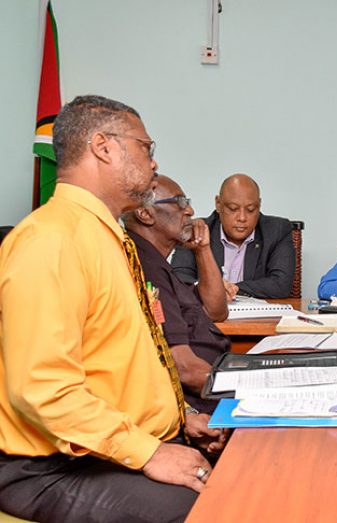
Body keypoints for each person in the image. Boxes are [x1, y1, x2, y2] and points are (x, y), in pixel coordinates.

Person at [0, 95, 227, 522]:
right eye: (146, 147)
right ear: (103, 147)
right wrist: (151, 452)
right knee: (211, 508)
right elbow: (43, 390)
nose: (154, 163)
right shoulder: (51, 240)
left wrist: (183, 417)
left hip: (113, 445)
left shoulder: (111, 239)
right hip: (51, 466)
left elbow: (129, 360)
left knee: (250, 467)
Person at [124, 175, 230, 414]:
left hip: (213, 388)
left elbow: (216, 310)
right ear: (145, 213)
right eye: (180, 202)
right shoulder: (145, 266)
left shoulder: (158, 262)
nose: (190, 210)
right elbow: (184, 368)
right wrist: (252, 389)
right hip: (201, 407)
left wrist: (202, 248)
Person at [171, 173, 295, 301]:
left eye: (251, 209)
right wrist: (206, 290)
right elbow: (178, 278)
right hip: (206, 316)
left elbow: (281, 285)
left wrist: (230, 289)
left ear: (259, 205)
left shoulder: (277, 230)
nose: (242, 218)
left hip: (255, 318)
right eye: (233, 209)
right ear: (218, 204)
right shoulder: (196, 231)